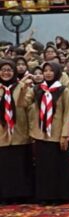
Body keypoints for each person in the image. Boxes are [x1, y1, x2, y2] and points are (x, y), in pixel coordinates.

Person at [27, 62, 69, 203]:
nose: (47, 73)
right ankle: (44, 196)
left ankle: (58, 196)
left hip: (57, 134)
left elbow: (67, 114)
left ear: (57, 72)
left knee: (57, 168)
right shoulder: (37, 89)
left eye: (50, 70)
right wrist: (23, 86)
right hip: (41, 134)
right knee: (43, 168)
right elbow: (23, 103)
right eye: (45, 70)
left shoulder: (63, 90)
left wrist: (64, 135)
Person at [0, 60, 33, 203]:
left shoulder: (22, 86)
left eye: (9, 70)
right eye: (3, 70)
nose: (6, 72)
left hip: (20, 132)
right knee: (4, 167)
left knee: (19, 166)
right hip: (1, 134)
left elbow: (29, 109)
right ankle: (4, 196)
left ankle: (20, 195)